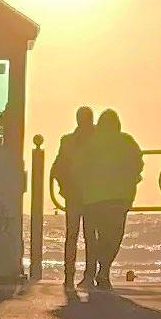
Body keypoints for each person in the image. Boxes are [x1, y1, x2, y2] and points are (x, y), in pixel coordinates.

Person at [82, 109, 141, 291]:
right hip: (119, 198)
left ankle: (96, 270)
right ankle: (104, 269)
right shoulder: (127, 142)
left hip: (94, 198)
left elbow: (81, 166)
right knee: (114, 237)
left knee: (98, 237)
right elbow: (137, 165)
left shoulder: (91, 142)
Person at [49, 105, 96, 295]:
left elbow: (57, 167)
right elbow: (58, 167)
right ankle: (80, 275)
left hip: (83, 194)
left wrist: (63, 187)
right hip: (88, 195)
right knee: (86, 236)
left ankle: (75, 276)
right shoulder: (93, 141)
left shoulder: (69, 141)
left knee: (78, 236)